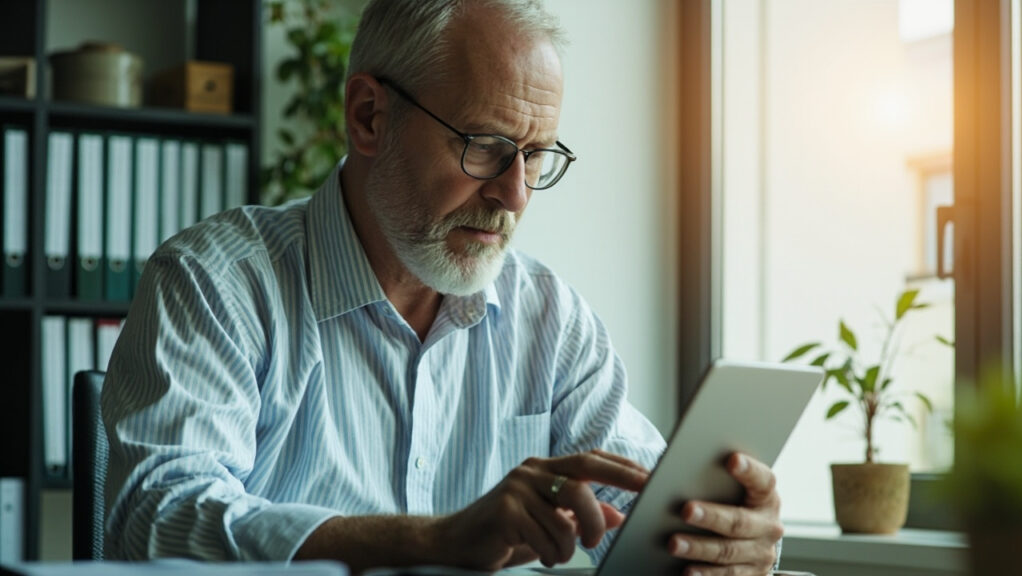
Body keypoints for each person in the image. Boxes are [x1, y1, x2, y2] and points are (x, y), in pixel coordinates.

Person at [102, 0, 784, 574]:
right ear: (369, 117)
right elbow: (158, 521)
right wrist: (436, 541)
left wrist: (724, 535)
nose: (515, 195)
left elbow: (650, 519)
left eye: (535, 156)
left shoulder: (549, 319)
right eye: (484, 145)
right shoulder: (216, 282)